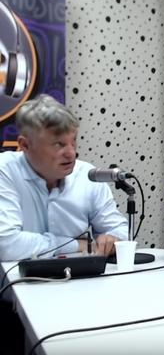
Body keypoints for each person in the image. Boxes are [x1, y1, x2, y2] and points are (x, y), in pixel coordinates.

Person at [0, 94, 128, 261]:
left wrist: (112, 239)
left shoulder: (87, 176)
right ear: (25, 145)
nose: (71, 153)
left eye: (73, 142)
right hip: (16, 277)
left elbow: (120, 230)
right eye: (58, 144)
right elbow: (6, 245)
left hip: (81, 277)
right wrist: (74, 245)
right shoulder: (5, 171)